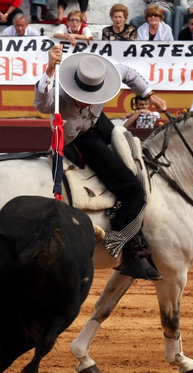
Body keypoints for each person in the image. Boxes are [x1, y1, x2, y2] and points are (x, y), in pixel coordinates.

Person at [34, 45, 168, 281]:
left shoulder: (104, 75)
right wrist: (49, 69)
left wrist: (149, 95)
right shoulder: (60, 94)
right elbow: (42, 103)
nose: (86, 101)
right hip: (79, 138)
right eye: (82, 98)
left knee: (133, 152)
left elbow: (127, 72)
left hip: (99, 124)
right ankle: (121, 244)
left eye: (91, 97)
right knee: (132, 190)